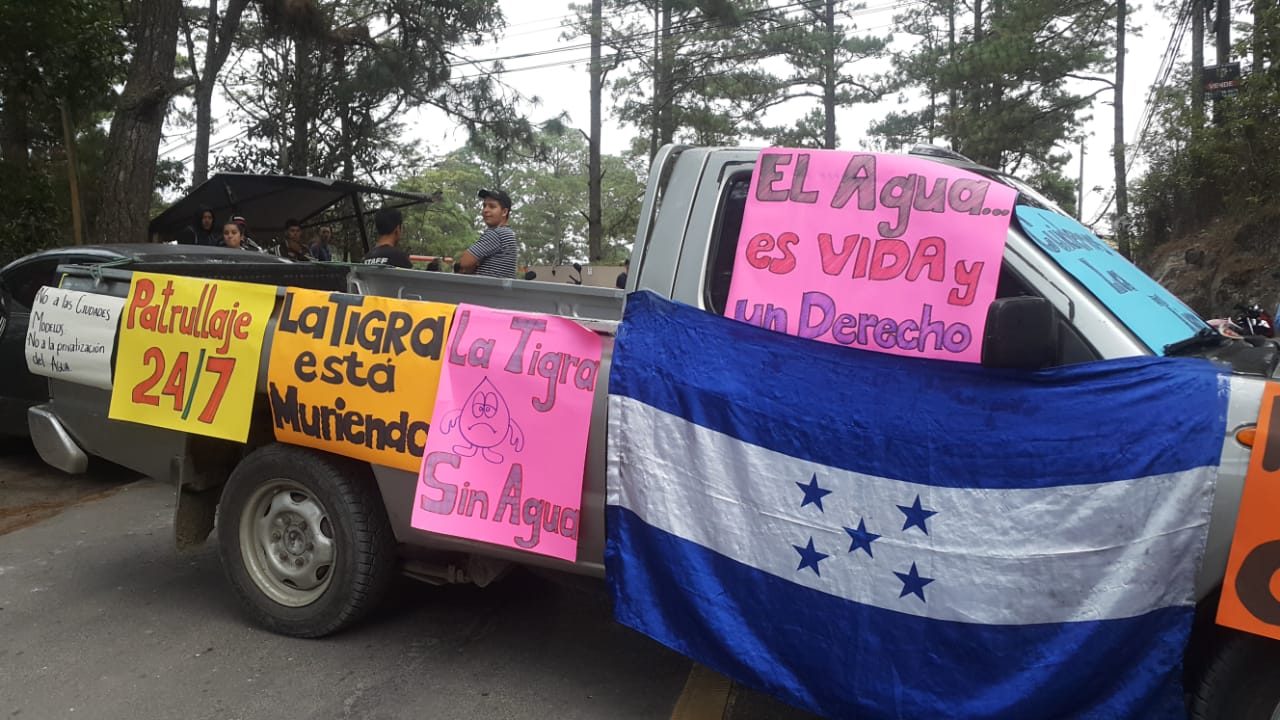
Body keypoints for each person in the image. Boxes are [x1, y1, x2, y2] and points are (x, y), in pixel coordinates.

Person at [457, 189, 517, 278]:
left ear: (504, 212)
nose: (485, 210)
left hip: (487, 291)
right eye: (484, 206)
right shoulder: (507, 233)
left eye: (492, 206)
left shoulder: (497, 234)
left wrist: (475, 261)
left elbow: (465, 262)